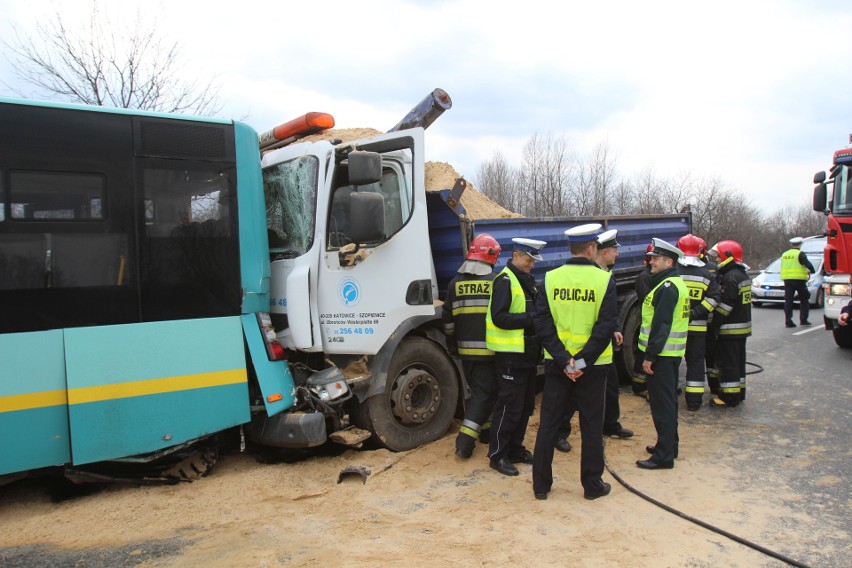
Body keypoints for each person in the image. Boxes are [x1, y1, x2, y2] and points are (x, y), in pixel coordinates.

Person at [532, 223, 617, 500]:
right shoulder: (604, 280)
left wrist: (564, 359)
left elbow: (542, 324)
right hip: (592, 368)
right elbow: (605, 327)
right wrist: (580, 362)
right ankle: (592, 487)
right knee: (592, 427)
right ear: (592, 248)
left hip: (558, 367)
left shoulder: (550, 278)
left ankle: (541, 486)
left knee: (548, 426)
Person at [553, 229, 633, 453]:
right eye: (614, 250)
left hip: (600, 350)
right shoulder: (591, 277)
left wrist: (615, 328)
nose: (617, 254)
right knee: (571, 396)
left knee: (611, 387)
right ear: (600, 251)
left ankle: (610, 424)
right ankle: (560, 433)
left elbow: (608, 313)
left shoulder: (605, 274)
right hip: (582, 352)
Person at [485, 237, 546, 477]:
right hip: (510, 355)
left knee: (525, 406)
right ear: (516, 256)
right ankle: (497, 454)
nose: (532, 264)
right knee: (509, 406)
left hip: (527, 354)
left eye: (533, 260)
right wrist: (532, 319)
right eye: (528, 259)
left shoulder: (527, 281)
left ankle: (515, 449)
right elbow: (499, 317)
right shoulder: (505, 281)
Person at [442, 233, 502, 459]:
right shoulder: (495, 282)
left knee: (481, 391)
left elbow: (448, 322)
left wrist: (453, 346)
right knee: (485, 395)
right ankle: (464, 442)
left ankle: (486, 433)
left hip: (466, 353)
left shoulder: (454, 284)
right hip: (491, 350)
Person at [636, 238, 690, 470]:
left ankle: (663, 456)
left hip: (662, 356)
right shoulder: (672, 284)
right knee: (668, 402)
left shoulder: (667, 288)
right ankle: (669, 445)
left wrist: (650, 356)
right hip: (668, 355)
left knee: (662, 405)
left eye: (656, 259)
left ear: (669, 261)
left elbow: (661, 326)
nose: (651, 262)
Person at [676, 234, 721, 411]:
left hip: (675, 328)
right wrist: (695, 313)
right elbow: (714, 299)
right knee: (695, 363)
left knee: (672, 362)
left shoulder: (673, 272)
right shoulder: (706, 275)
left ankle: (670, 395)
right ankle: (694, 401)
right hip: (698, 327)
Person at [710, 240, 752, 407]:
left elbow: (726, 306)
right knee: (738, 363)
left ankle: (729, 397)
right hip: (741, 329)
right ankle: (739, 393)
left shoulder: (730, 278)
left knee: (729, 365)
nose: (717, 261)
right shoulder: (742, 275)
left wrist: (714, 324)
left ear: (728, 256)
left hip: (730, 329)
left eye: (719, 257)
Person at [631, 244, 655, 399]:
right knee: (643, 353)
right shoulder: (644, 277)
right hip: (648, 321)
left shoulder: (654, 276)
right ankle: (640, 386)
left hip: (654, 322)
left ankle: (650, 385)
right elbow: (647, 300)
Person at [781, 237, 816, 328]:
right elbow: (807, 264)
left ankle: (788, 321)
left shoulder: (785, 254)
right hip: (799, 280)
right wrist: (812, 270)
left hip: (787, 280)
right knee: (805, 299)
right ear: (800, 244)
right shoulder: (800, 254)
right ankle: (803, 320)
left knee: (788, 300)